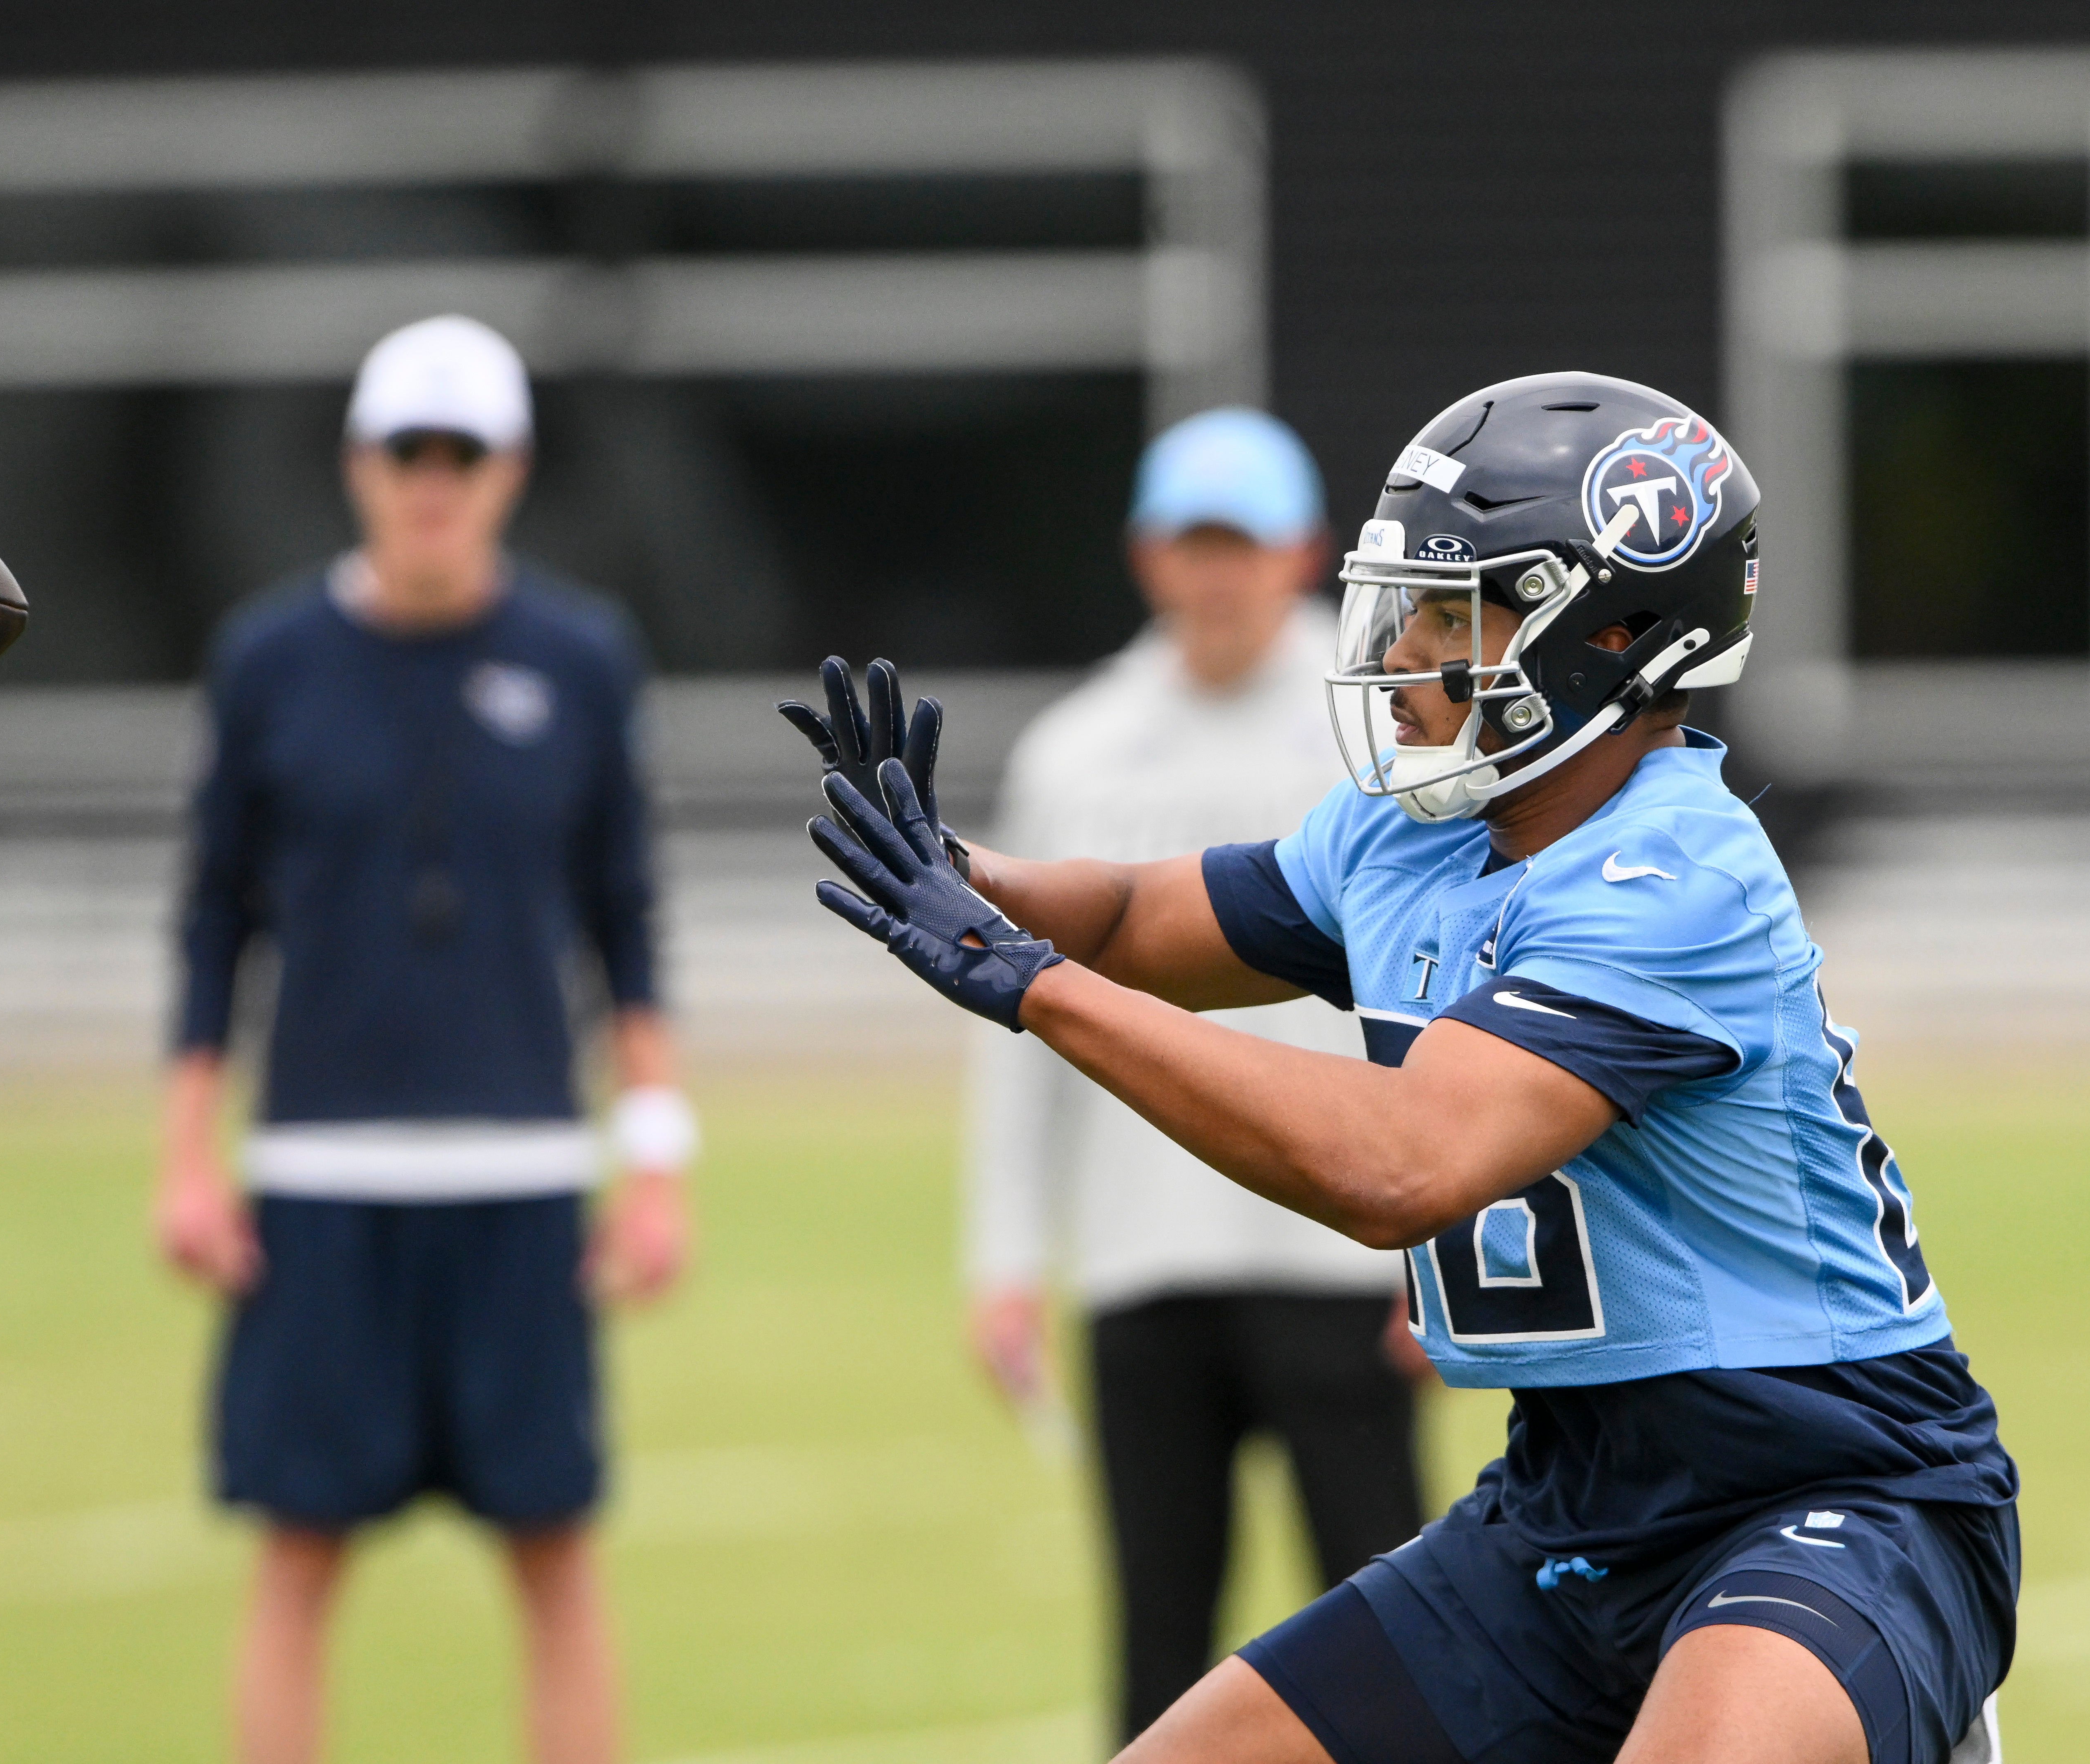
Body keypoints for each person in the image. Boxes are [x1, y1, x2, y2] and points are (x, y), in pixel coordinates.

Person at [782, 372, 2016, 1764]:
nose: (1410, 648)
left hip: (1831, 1487)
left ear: (1611, 636)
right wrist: (951, 878)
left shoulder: (1675, 869)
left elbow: (1401, 1165)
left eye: (1456, 610)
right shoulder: (1411, 834)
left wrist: (1036, 989)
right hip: (1572, 1495)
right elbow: (1136, 918)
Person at [154, 313, 694, 1764]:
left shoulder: (584, 662)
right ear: (358, 465)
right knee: (297, 1557)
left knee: (556, 1554)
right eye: (410, 451)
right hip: (318, 1180)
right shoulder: (267, 662)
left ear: (512, 471)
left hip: (521, 1180)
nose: (433, 482)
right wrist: (187, 1160)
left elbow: (627, 927)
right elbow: (212, 924)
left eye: (464, 453)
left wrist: (656, 1167)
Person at [953, 409, 1428, 1742]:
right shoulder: (1074, 750)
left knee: (1404, 1633)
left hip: (1342, 1250)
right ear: (1147, 556)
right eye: (1193, 544)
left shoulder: (1380, 743)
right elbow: (1018, 1021)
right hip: (1141, 1261)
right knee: (1158, 1645)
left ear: (1305, 556)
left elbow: (1437, 1001)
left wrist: (1451, 1244)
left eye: (1244, 544)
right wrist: (1004, 1255)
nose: (1217, 575)